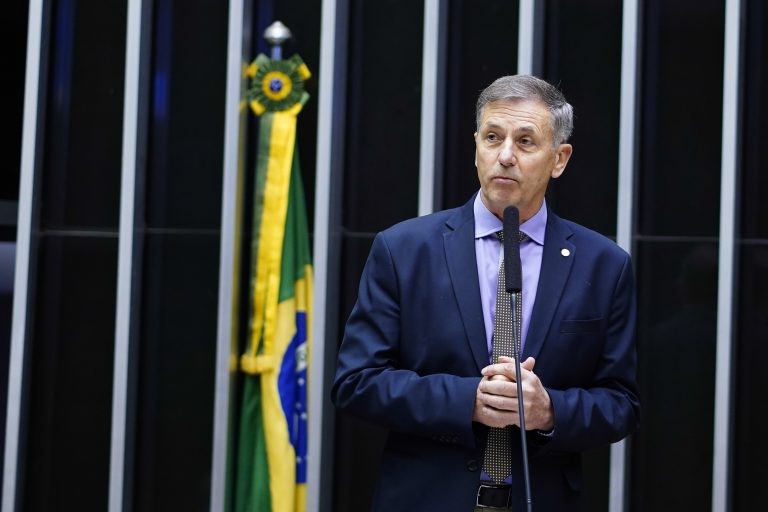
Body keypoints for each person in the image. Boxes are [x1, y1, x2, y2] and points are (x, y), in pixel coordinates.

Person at [331, 75, 640, 511]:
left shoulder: (604, 265)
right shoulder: (403, 249)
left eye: (526, 141)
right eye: (493, 137)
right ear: (476, 146)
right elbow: (356, 382)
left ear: (559, 159)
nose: (506, 156)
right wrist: (468, 402)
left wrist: (549, 410)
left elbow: (621, 402)